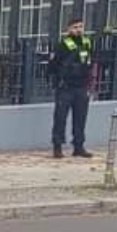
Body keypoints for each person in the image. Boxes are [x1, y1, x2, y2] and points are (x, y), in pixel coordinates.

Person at [48, 19, 94, 158]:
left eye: (80, 27)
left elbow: (91, 63)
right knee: (60, 118)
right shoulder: (63, 45)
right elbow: (53, 65)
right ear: (69, 29)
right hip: (65, 87)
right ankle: (57, 147)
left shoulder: (87, 43)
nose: (78, 30)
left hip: (82, 86)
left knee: (80, 118)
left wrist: (89, 83)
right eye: (75, 27)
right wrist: (58, 80)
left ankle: (78, 146)